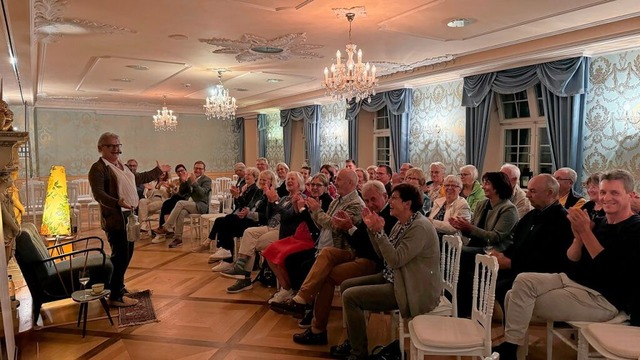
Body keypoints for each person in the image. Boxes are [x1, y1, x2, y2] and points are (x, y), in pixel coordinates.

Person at [494, 170, 640, 360]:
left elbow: (608, 268)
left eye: (615, 193)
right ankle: (512, 347)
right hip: (572, 280)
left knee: (515, 298)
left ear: (631, 195)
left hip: (602, 298)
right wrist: (578, 236)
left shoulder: (635, 228)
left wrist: (585, 232)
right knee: (523, 280)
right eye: (603, 192)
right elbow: (572, 257)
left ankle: (511, 349)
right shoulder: (600, 221)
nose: (606, 198)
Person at [271, 181, 395, 345]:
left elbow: (374, 250)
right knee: (327, 253)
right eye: (367, 200)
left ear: (385, 196)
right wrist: (350, 227)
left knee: (326, 275)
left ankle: (317, 328)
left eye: (374, 199)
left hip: (373, 261)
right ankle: (301, 299)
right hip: (357, 252)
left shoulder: (389, 214)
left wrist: (349, 227)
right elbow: (358, 240)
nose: (370, 204)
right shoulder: (347, 203)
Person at [338, 183, 442, 360]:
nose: (390, 202)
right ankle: (355, 340)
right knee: (346, 286)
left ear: (407, 204)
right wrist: (373, 230)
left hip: (411, 288)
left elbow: (395, 260)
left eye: (394, 198)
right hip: (396, 278)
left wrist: (379, 233)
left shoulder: (419, 227)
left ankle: (358, 353)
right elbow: (384, 257)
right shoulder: (403, 222)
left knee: (350, 297)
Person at [88, 132, 170, 307]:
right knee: (120, 255)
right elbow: (99, 194)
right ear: (100, 148)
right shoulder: (98, 168)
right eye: (111, 146)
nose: (115, 149)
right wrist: (117, 202)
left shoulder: (122, 166)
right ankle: (116, 296)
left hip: (129, 216)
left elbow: (138, 178)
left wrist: (157, 171)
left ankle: (119, 287)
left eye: (118, 146)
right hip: (116, 218)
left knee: (127, 254)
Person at [489, 174, 574, 310]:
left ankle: (513, 330)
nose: (527, 195)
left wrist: (512, 263)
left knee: (501, 286)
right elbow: (517, 243)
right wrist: (501, 255)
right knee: (482, 274)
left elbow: (553, 260)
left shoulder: (563, 220)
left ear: (550, 193)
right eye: (528, 190)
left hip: (540, 275)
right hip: (520, 268)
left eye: (532, 191)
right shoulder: (531, 216)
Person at [222, 171, 306, 293]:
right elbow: (269, 216)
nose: (289, 181)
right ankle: (241, 269)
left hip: (284, 231)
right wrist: (270, 201)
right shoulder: (284, 198)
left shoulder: (300, 198)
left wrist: (275, 201)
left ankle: (244, 276)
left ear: (300, 183)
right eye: (288, 179)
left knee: (254, 242)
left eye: (292, 179)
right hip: (270, 226)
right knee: (249, 233)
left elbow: (287, 218)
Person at [449, 171, 518, 317]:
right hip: (478, 245)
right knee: (453, 251)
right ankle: (455, 302)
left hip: (494, 250)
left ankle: (462, 307)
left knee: (460, 254)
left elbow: (495, 237)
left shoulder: (508, 209)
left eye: (487, 183)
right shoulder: (482, 204)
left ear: (498, 187)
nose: (483, 186)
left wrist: (469, 228)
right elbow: (473, 231)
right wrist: (461, 227)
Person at [262, 173, 333, 304]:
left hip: (311, 239)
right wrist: (292, 205)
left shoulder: (327, 201)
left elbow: (316, 227)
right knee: (269, 251)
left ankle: (291, 290)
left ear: (326, 187)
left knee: (285, 256)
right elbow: (290, 217)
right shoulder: (308, 198)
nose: (315, 187)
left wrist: (299, 209)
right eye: (313, 184)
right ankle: (287, 288)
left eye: (318, 185)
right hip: (298, 234)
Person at [192, 167, 262, 255]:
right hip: (238, 213)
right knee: (221, 221)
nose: (246, 176)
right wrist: (237, 195)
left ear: (255, 177)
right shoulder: (246, 188)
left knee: (221, 221)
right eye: (246, 174)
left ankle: (217, 247)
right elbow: (238, 204)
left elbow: (247, 205)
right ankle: (217, 248)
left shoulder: (255, 189)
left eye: (249, 175)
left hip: (245, 218)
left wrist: (238, 196)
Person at [155, 161, 212, 248]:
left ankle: (166, 226)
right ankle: (178, 238)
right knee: (181, 212)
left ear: (204, 170)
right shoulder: (190, 178)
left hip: (200, 205)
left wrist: (194, 183)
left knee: (180, 203)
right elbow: (181, 193)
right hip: (190, 203)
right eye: (196, 168)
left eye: (200, 169)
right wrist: (184, 181)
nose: (198, 170)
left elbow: (202, 194)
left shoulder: (207, 180)